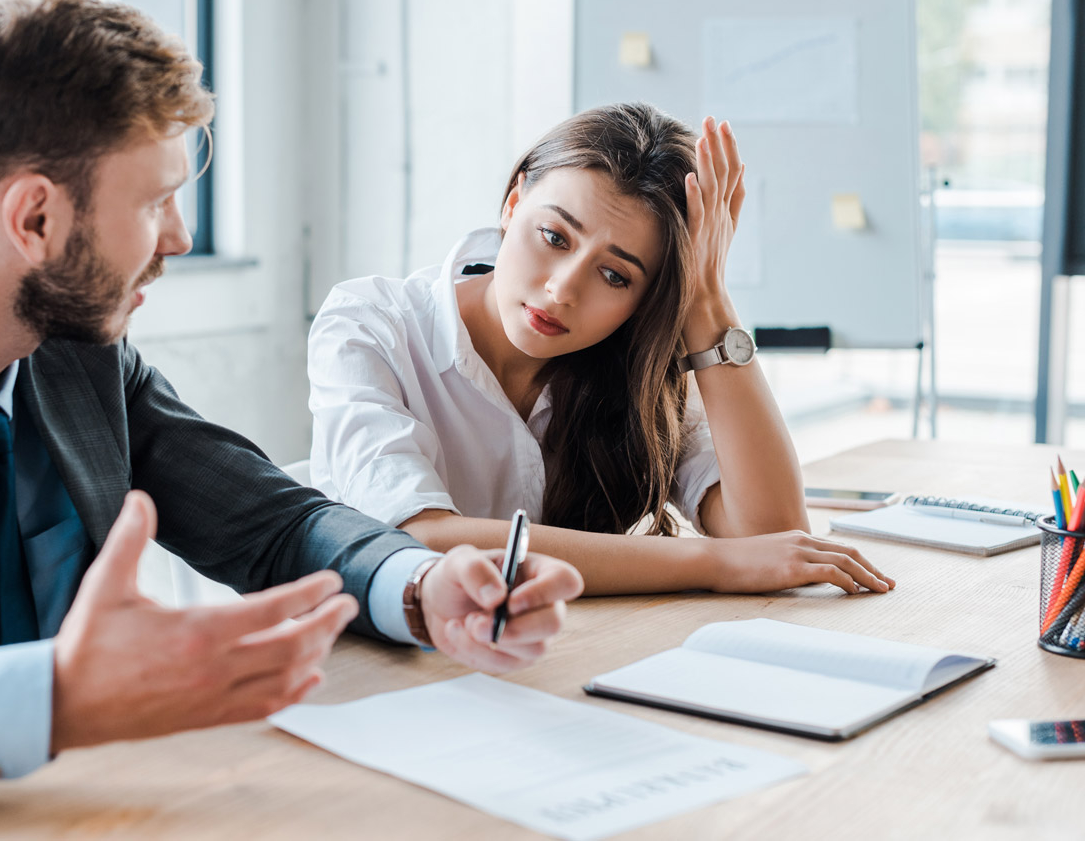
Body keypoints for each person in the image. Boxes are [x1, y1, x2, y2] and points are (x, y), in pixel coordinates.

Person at [0, 0, 583, 813]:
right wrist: (45, 701)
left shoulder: (77, 351)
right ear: (33, 218)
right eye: (156, 202)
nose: (182, 237)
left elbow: (271, 520)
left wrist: (421, 585)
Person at [308, 103, 894, 597]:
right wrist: (711, 565)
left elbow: (774, 537)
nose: (562, 289)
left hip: (548, 665)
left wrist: (706, 300)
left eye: (615, 276)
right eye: (554, 237)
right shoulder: (370, 324)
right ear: (514, 205)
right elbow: (422, 539)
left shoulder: (637, 366)